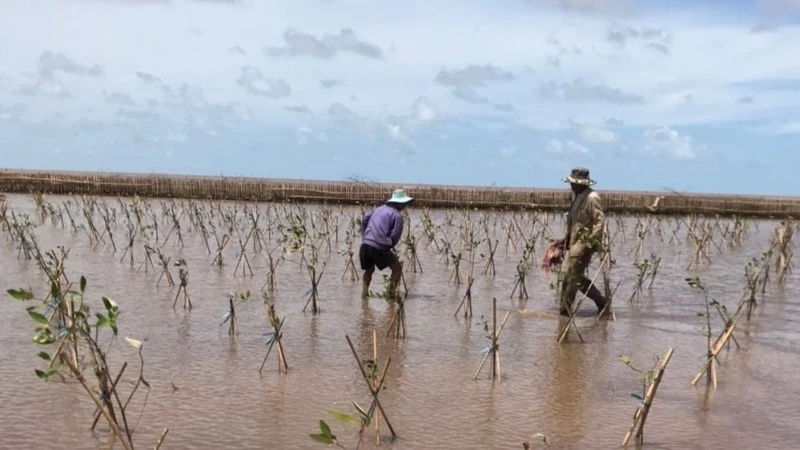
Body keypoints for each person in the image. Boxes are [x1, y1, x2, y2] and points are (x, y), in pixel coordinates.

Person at [554, 167, 608, 317]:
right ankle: (601, 302)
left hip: (584, 243)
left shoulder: (592, 197)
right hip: (574, 243)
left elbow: (599, 221)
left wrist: (590, 242)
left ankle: (565, 311)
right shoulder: (577, 196)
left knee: (571, 278)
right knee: (576, 277)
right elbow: (574, 222)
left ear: (582, 184)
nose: (571, 186)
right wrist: (565, 240)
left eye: (573, 183)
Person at [359, 188, 414, 299]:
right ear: (400, 203)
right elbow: (395, 235)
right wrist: (388, 245)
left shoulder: (378, 209)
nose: (405, 206)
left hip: (365, 245)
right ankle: (391, 296)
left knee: (369, 270)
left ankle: (363, 296)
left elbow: (364, 220)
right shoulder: (397, 215)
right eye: (404, 204)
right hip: (379, 247)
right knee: (397, 268)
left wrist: (366, 236)